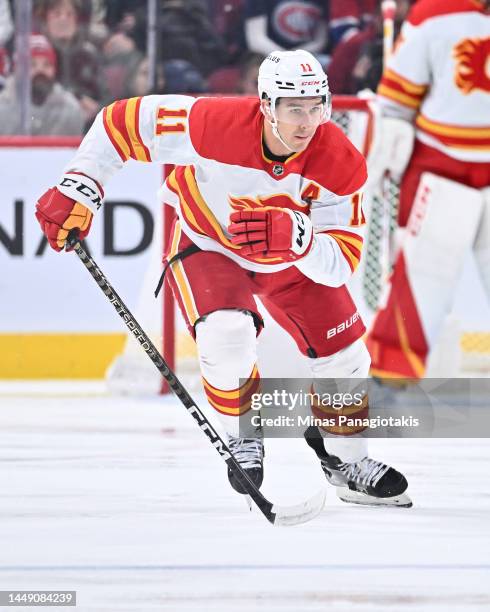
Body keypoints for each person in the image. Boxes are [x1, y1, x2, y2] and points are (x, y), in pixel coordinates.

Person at [34, 49, 411, 507]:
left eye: (317, 106)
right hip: (207, 244)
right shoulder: (212, 123)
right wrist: (81, 183)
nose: (307, 121)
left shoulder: (341, 161)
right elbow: (120, 122)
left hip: (289, 260)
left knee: (347, 356)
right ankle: (244, 432)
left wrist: (301, 240)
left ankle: (346, 460)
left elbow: (344, 259)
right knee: (227, 336)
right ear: (266, 104)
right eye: (294, 108)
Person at [365, 0, 490, 379]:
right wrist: (390, 133)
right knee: (423, 269)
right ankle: (392, 369)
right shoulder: (433, 12)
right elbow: (396, 99)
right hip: (442, 160)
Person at [0, 34, 84, 136]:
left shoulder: (69, 109)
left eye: (47, 64)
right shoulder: (3, 107)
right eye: (32, 64)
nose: (40, 70)